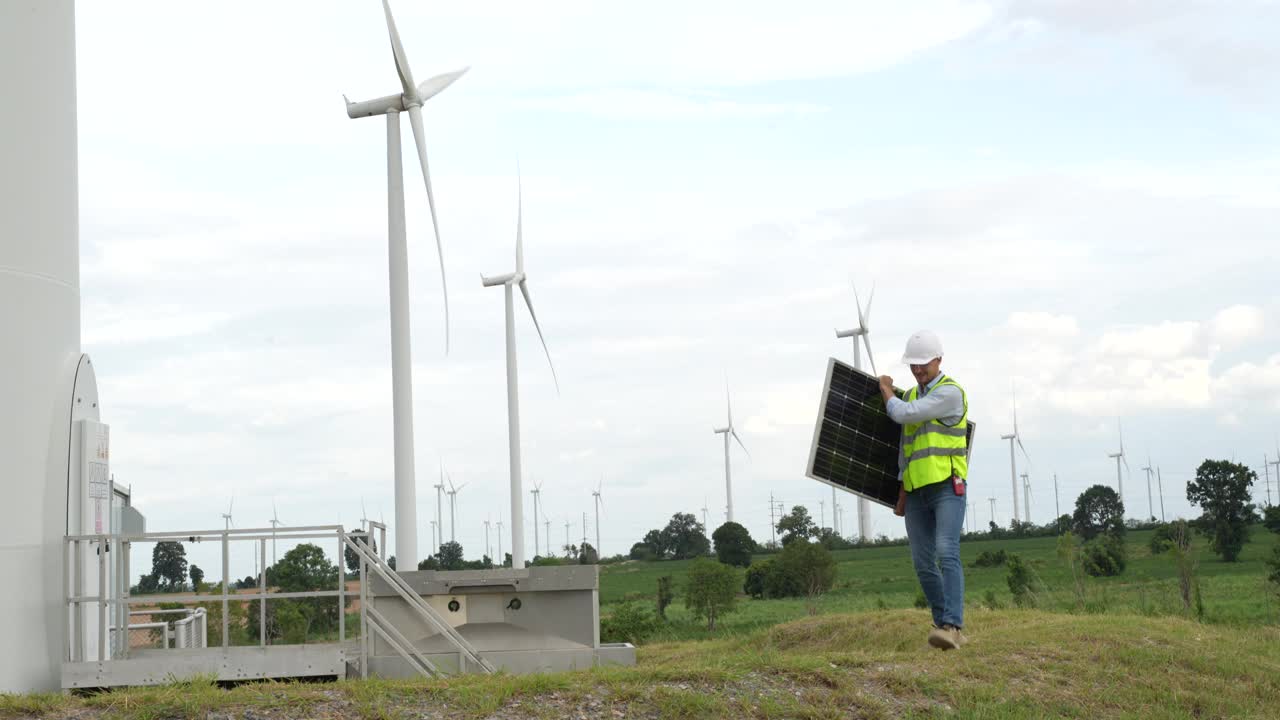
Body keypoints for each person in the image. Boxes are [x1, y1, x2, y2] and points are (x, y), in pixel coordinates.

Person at [878, 329, 969, 650]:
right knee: (922, 563)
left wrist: (886, 390)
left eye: (923, 364)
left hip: (947, 486)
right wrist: (902, 493)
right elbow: (907, 448)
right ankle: (942, 624)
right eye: (913, 365)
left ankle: (953, 625)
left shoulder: (950, 393)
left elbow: (904, 415)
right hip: (916, 492)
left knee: (947, 551)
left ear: (939, 360)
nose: (918, 370)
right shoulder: (913, 395)